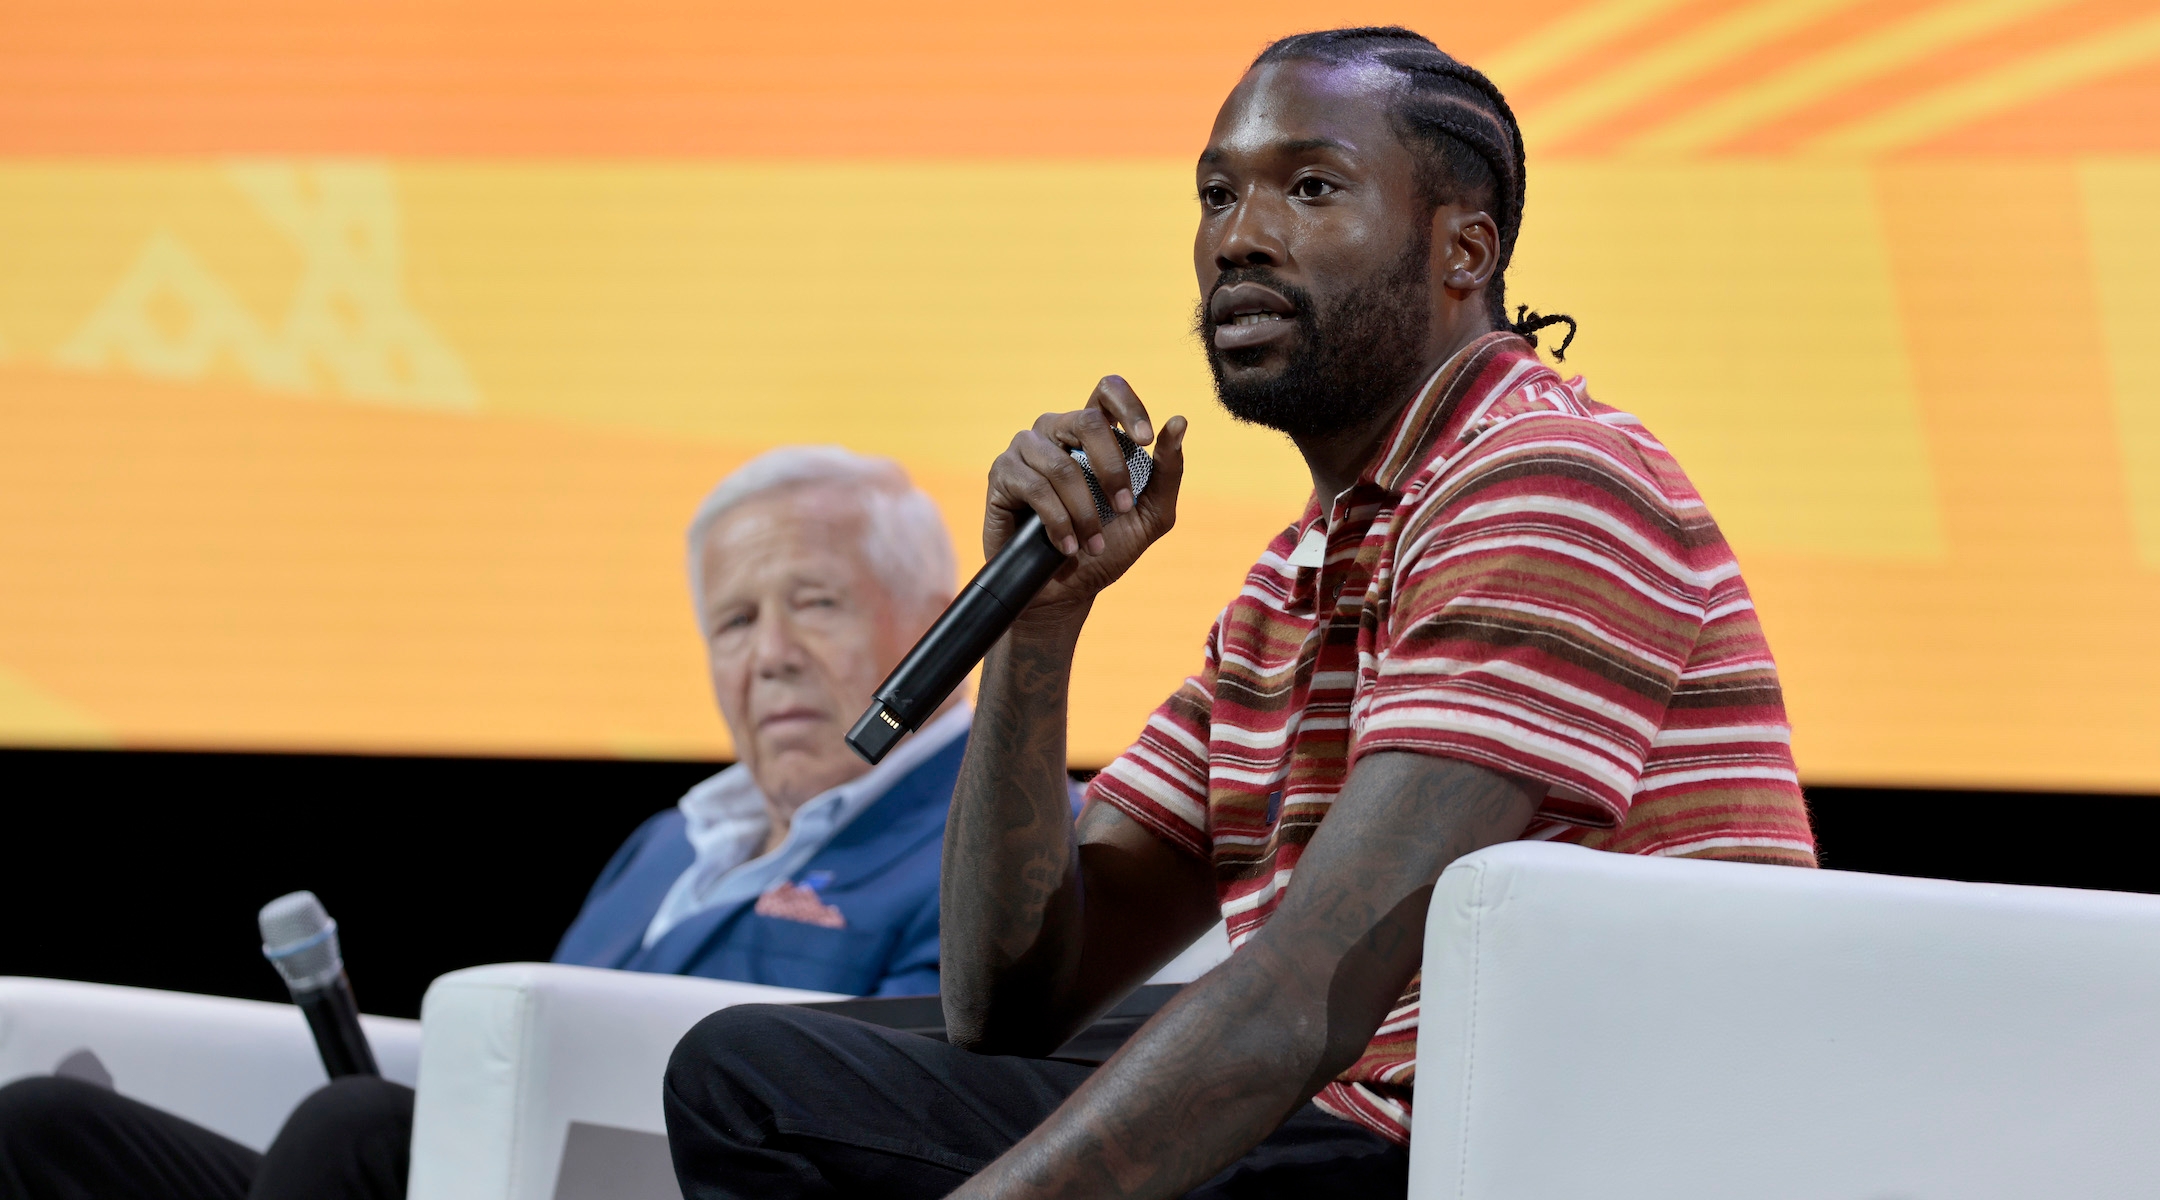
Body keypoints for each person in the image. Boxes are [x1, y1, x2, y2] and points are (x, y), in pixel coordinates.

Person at [661, 26, 1817, 1200]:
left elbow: (1305, 993)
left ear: (1463, 247)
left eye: (1311, 188)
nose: (1240, 239)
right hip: (1374, 1106)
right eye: (1218, 195)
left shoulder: (1549, 481)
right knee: (780, 1067)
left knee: (762, 1093)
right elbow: (1008, 1003)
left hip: (1530, 1144)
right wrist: (1038, 626)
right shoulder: (1299, 574)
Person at [0, 446, 970, 1200]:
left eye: (815, 604)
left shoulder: (988, 844)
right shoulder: (672, 843)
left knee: (358, 1139)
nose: (770, 655)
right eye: (733, 623)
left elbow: (901, 1125)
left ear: (940, 626)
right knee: (48, 1132)